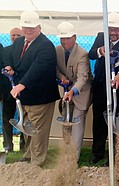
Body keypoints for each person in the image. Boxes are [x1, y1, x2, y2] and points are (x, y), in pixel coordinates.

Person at [3, 10, 60, 166]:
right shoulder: (20, 42)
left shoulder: (46, 45)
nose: (28, 31)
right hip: (24, 96)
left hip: (40, 96)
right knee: (27, 128)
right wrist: (11, 68)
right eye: (25, 27)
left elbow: (39, 68)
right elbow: (14, 58)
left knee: (38, 131)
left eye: (31, 28)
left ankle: (37, 162)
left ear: (39, 27)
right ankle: (28, 157)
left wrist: (21, 84)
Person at [88, 12, 119, 164]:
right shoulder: (100, 38)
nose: (113, 32)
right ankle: (98, 152)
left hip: (118, 90)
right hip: (101, 87)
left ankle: (115, 154)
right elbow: (90, 54)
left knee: (117, 122)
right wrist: (99, 51)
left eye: (116, 29)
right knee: (99, 121)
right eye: (110, 29)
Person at [55, 22, 93, 161]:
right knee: (65, 119)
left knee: (76, 124)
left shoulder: (82, 54)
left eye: (67, 38)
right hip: (66, 92)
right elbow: (56, 69)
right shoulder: (57, 50)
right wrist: (61, 77)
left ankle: (73, 158)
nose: (64, 41)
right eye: (62, 38)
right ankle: (66, 152)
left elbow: (83, 77)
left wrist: (73, 91)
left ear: (75, 37)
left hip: (81, 93)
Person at [1, 27, 24, 152]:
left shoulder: (25, 51)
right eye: (13, 35)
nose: (15, 37)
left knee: (23, 117)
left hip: (23, 90)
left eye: (18, 35)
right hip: (7, 90)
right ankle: (7, 145)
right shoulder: (5, 50)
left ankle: (23, 144)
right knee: (7, 117)